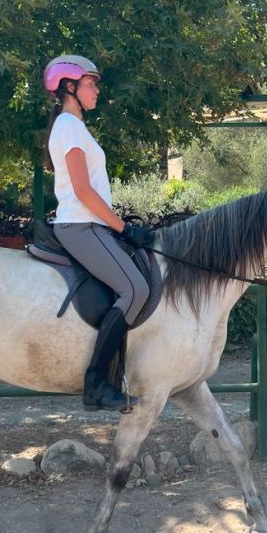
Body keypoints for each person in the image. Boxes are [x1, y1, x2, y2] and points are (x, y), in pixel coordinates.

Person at [43, 54, 151, 412]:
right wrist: (125, 228)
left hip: (90, 223)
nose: (97, 90)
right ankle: (96, 384)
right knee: (136, 288)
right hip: (79, 224)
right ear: (69, 88)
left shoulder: (74, 127)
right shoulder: (69, 128)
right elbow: (83, 192)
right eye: (91, 83)